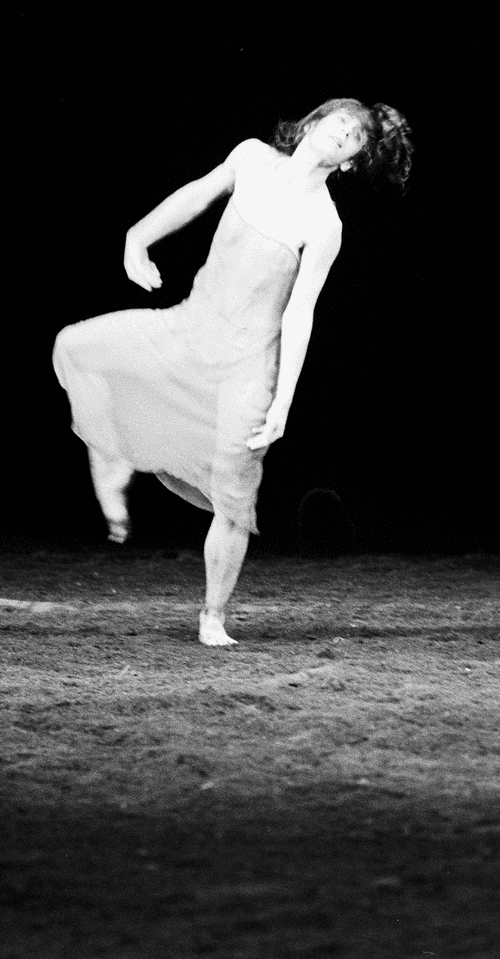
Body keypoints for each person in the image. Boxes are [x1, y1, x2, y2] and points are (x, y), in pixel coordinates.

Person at [53, 98, 414, 644]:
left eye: (355, 139)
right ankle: (115, 460)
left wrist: (282, 401)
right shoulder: (250, 157)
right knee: (76, 347)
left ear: (352, 161)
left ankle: (213, 616)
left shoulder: (324, 224)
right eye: (339, 123)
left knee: (233, 495)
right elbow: (198, 192)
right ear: (313, 122)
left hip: (249, 368)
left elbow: (300, 314)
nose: (342, 135)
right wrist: (138, 236)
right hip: (191, 331)